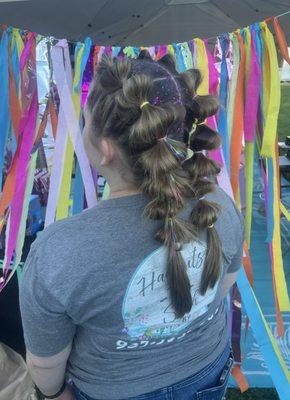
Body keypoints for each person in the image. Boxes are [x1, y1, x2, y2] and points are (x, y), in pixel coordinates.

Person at [19, 53, 245, 400]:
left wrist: (53, 394)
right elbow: (219, 290)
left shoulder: (58, 252)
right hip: (206, 372)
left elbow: (46, 365)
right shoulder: (219, 206)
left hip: (113, 390)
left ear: (105, 150)